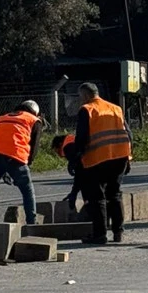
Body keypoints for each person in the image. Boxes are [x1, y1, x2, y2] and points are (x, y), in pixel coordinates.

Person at [68, 81, 132, 245]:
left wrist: (76, 159)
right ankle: (118, 232)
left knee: (97, 198)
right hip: (120, 157)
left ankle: (100, 235)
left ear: (85, 95)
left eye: (80, 96)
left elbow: (81, 138)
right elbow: (128, 134)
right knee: (115, 194)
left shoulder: (87, 109)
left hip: (97, 158)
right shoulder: (115, 108)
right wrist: (128, 157)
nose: (80, 100)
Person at [0, 99, 44, 229]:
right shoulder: (34, 120)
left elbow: (1, 139)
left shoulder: (2, 118)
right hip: (15, 156)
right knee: (27, 190)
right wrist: (28, 163)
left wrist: (4, 169)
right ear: (35, 112)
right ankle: (32, 223)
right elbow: (34, 146)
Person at [51, 132, 86, 215]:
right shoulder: (72, 141)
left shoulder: (68, 147)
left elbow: (80, 173)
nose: (59, 155)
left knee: (89, 193)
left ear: (60, 144)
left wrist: (74, 192)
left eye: (57, 150)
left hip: (91, 168)